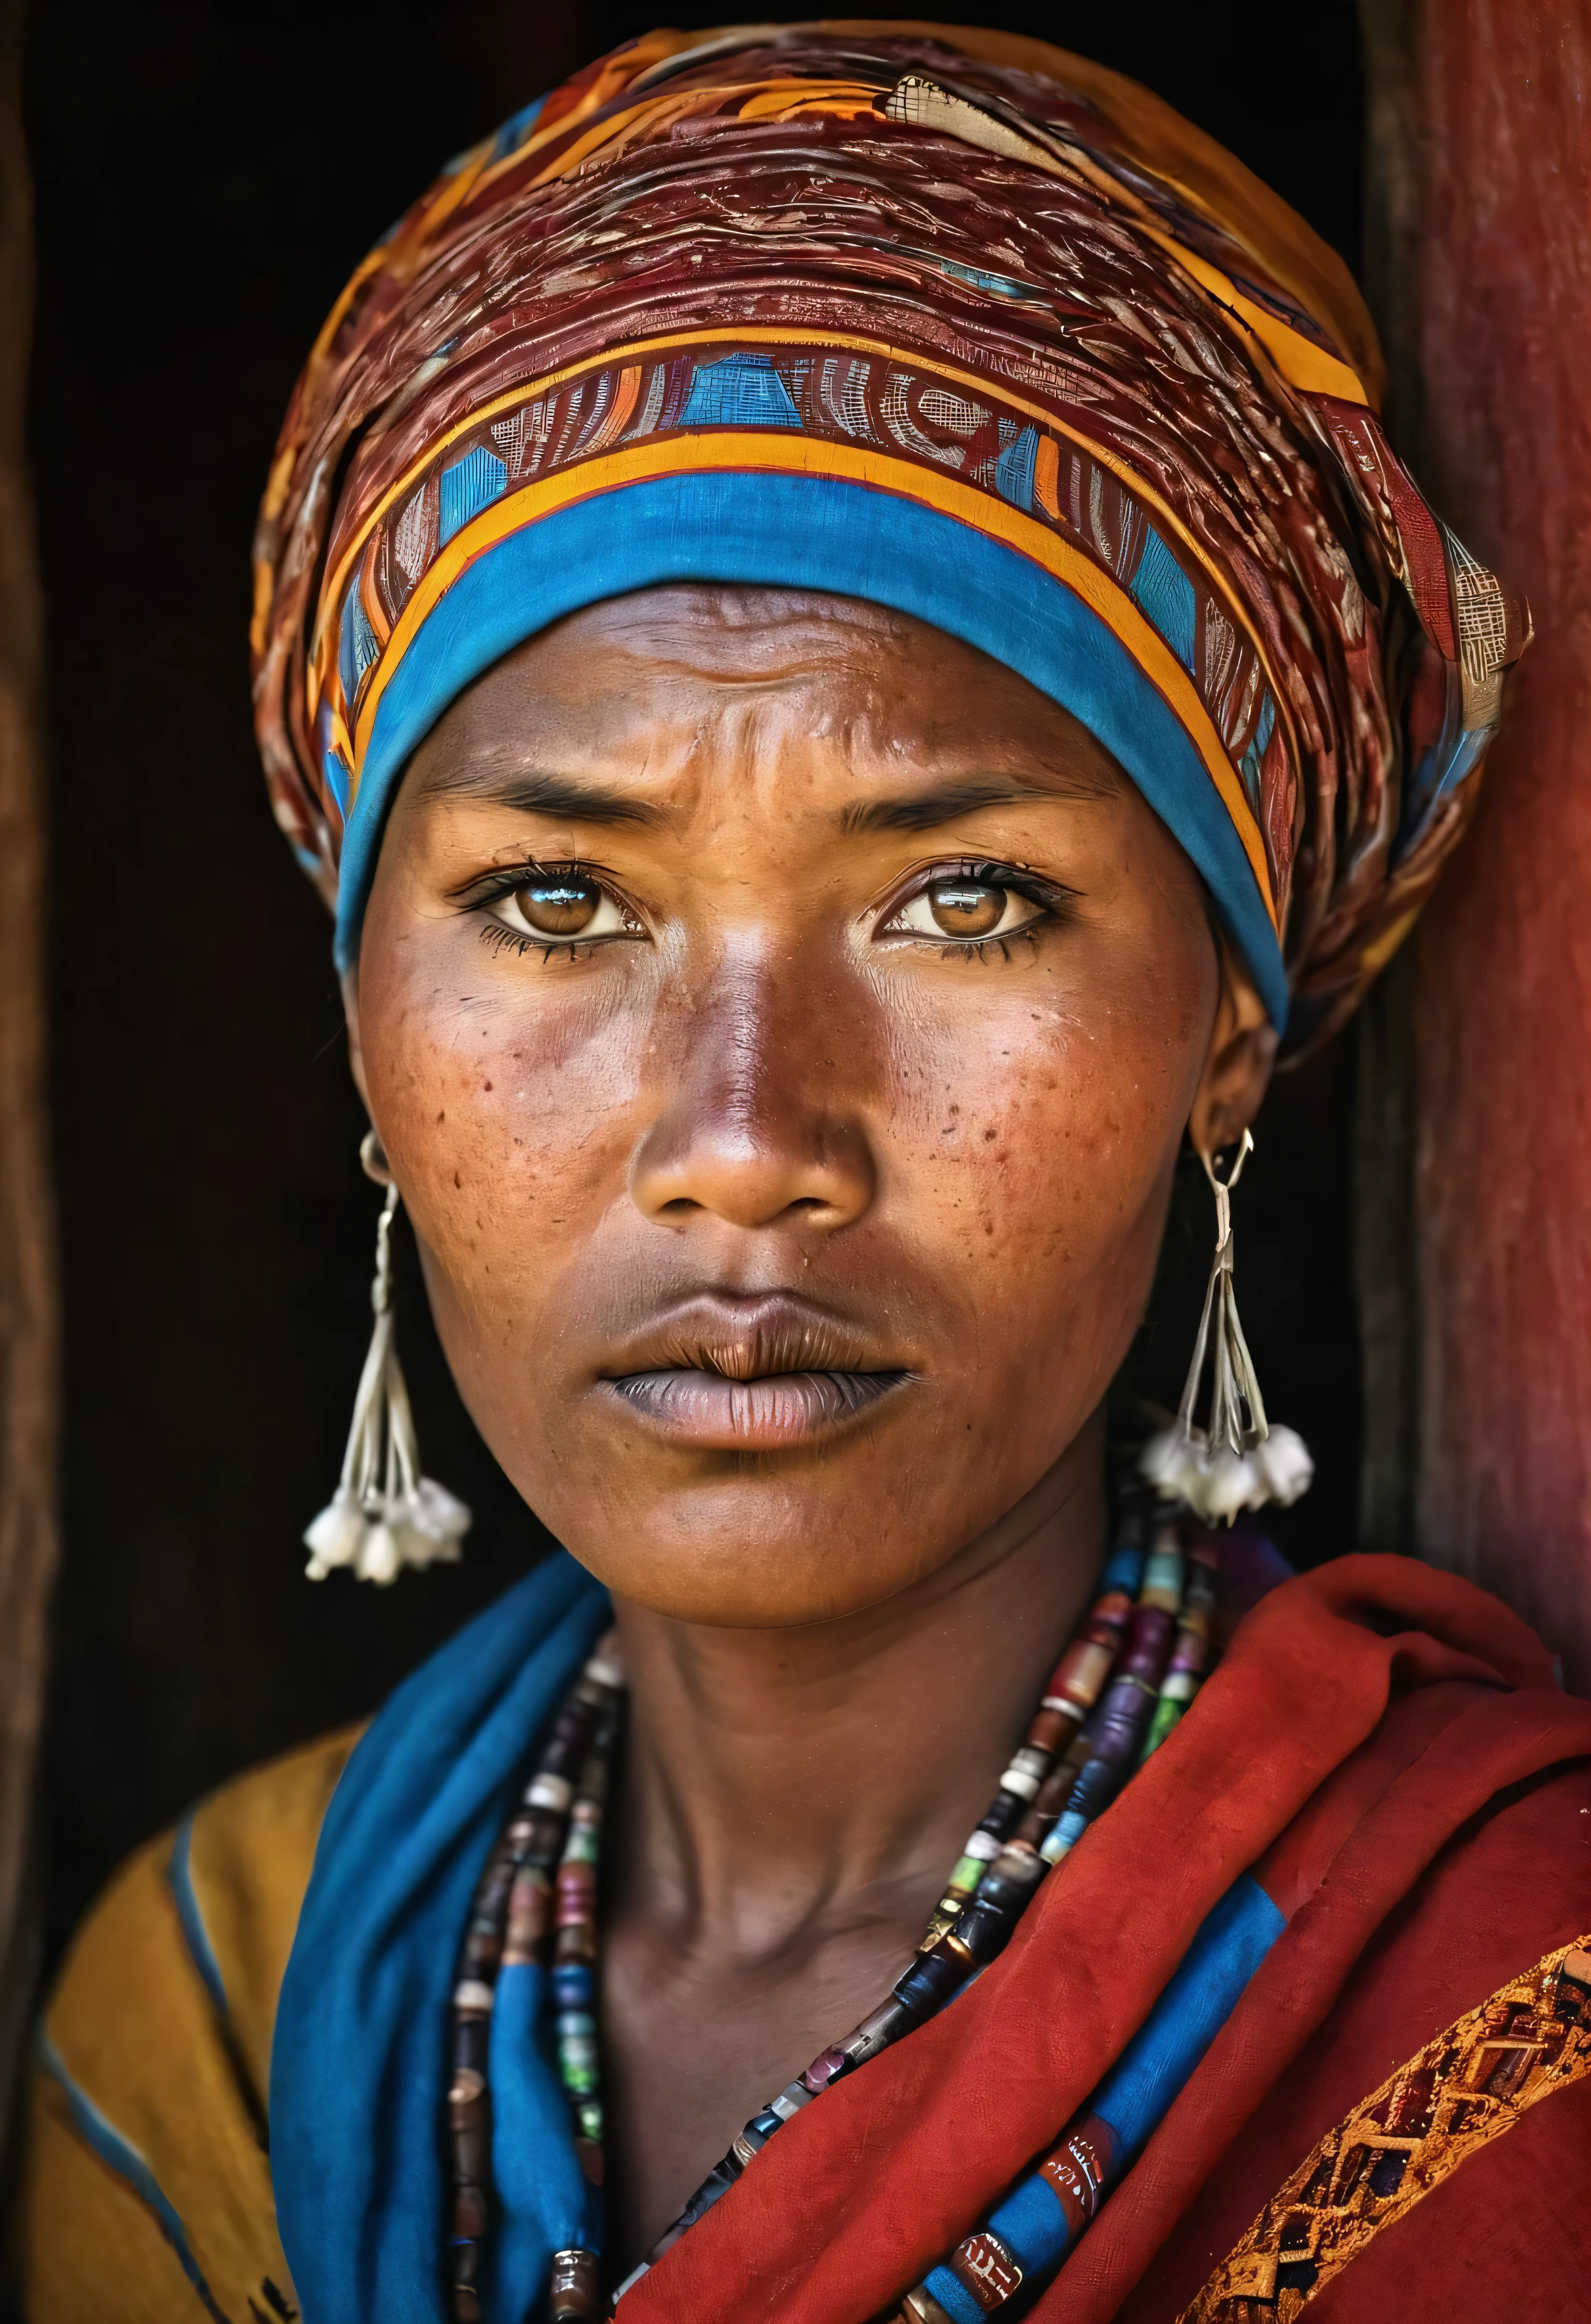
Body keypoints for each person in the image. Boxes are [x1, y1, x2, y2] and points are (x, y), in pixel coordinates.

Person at [17, 23, 1589, 2324]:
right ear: (364, 1022)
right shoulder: (221, 2012)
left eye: (960, 902)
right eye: (556, 905)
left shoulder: (1500, 2029)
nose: (743, 1141)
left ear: (1221, 1035)